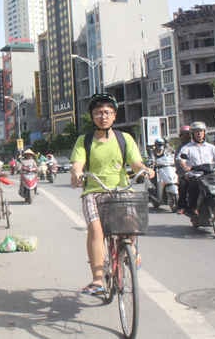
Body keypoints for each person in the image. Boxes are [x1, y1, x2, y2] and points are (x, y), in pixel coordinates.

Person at [70, 93, 154, 295]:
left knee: (131, 226)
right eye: (98, 113)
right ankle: (98, 280)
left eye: (107, 112)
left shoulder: (124, 139)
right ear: (92, 117)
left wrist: (145, 169)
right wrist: (77, 173)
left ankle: (131, 250)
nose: (103, 116)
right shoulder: (85, 140)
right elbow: (78, 164)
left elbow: (135, 163)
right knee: (96, 230)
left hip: (121, 190)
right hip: (94, 191)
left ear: (114, 116)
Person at [177, 121, 215, 214]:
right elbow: (181, 159)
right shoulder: (186, 148)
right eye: (196, 131)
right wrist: (185, 166)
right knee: (192, 187)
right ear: (192, 134)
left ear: (204, 133)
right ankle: (193, 207)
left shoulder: (211, 147)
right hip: (196, 174)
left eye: (201, 131)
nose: (199, 133)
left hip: (211, 173)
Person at [175, 125, 192, 211]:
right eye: (184, 134)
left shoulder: (199, 145)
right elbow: (178, 161)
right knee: (183, 185)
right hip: (186, 173)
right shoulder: (181, 148)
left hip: (201, 171)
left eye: (188, 134)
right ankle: (182, 206)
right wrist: (184, 169)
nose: (186, 137)